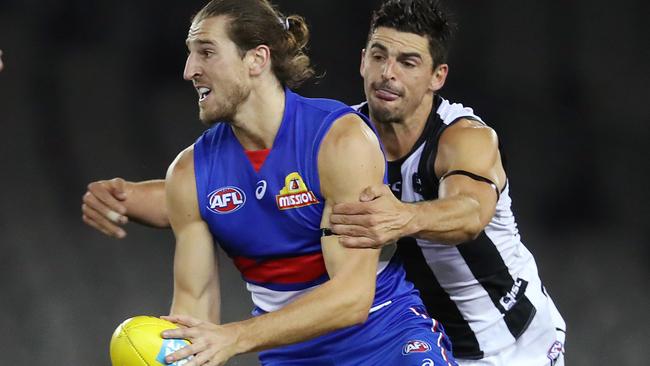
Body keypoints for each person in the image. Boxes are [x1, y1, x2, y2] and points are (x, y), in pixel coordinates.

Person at [83, 0, 566, 364]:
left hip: (504, 336)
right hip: (351, 336)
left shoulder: (460, 138)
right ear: (361, 60)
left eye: (407, 62)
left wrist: (405, 216)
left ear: (438, 76)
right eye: (378, 56)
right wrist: (125, 196)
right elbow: (224, 198)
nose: (387, 73)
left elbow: (470, 213)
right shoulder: (336, 135)